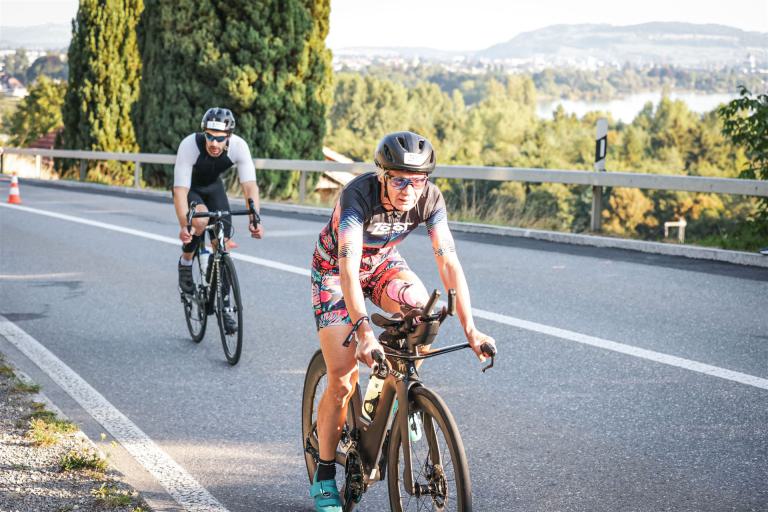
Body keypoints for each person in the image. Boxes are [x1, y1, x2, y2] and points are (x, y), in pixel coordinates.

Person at [308, 131, 497, 511]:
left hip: (383, 265)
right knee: (342, 378)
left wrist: (471, 329)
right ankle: (325, 472)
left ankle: (397, 393)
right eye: (398, 181)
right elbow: (348, 270)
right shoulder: (357, 196)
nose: (409, 190)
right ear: (382, 176)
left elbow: (448, 262)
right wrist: (364, 332)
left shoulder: (430, 198)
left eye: (417, 181)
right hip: (336, 272)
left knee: (425, 316)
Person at [173, 107, 264, 332]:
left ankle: (224, 307)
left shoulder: (239, 147)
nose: (214, 143)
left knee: (222, 242)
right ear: (204, 133)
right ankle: (186, 262)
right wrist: (185, 225)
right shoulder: (189, 145)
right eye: (210, 136)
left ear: (229, 137)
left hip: (214, 189)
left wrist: (255, 219)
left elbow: (250, 187)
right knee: (200, 221)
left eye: (220, 139)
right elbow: (180, 191)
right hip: (191, 190)